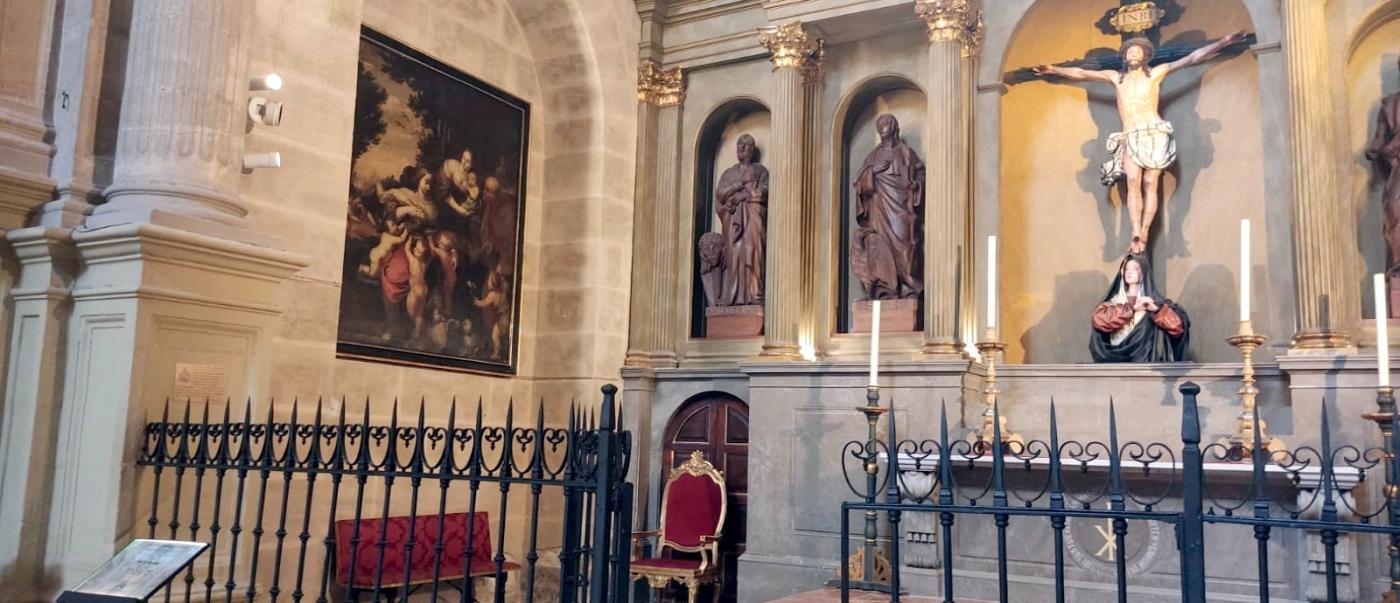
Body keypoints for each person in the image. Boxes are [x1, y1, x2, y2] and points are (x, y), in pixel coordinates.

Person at [1033, 32, 1247, 254]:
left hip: (1154, 133)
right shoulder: (1116, 77)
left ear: (1145, 56)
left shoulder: (1155, 74)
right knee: (1133, 180)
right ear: (1124, 56)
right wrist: (1053, 70)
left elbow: (1190, 59)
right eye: (1130, 51)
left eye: (1138, 50)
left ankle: (1144, 231)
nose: (1134, 53)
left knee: (1150, 183)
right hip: (1130, 134)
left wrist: (1223, 42)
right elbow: (1081, 72)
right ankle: (1136, 231)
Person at [851, 113, 924, 300]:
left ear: (894, 126)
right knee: (878, 246)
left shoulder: (906, 153)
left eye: (886, 123)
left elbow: (920, 174)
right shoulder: (873, 156)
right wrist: (873, 172)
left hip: (900, 209)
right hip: (878, 208)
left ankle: (908, 288)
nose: (882, 126)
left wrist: (916, 185)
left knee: (905, 248)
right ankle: (883, 290)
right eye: (879, 124)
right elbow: (858, 182)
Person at [1090, 255, 1189, 362]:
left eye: (1135, 269)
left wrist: (1156, 310)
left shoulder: (1154, 303)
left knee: (1148, 319)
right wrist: (1133, 309)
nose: (1129, 272)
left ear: (1144, 273)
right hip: (1115, 359)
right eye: (1126, 269)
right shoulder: (1114, 301)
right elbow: (1098, 320)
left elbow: (1177, 327)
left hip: (1145, 361)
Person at [713, 134, 769, 306]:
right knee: (734, 255)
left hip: (753, 219)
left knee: (753, 253)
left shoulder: (760, 171)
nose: (741, 147)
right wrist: (739, 185)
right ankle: (733, 295)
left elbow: (766, 192)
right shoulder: (729, 173)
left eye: (746, 145)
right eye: (739, 144)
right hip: (733, 222)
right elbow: (720, 194)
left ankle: (754, 294)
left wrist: (745, 195)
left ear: (752, 150)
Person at [1366, 58, 1400, 275]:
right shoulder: (1390, 104)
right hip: (1398, 170)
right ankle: (1398, 267)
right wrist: (1378, 149)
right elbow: (1378, 141)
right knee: (1393, 210)